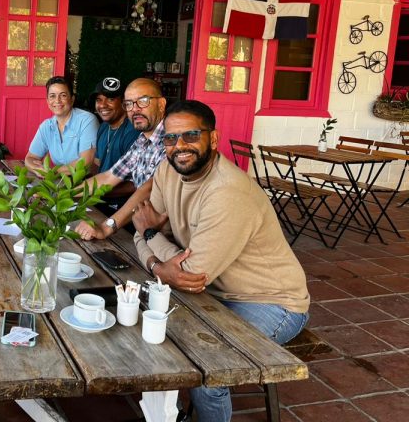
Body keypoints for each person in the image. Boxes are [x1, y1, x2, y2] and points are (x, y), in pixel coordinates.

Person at [131, 100, 310, 422]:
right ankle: (166, 414)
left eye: (190, 135)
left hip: (270, 302)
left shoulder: (228, 192)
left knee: (211, 370)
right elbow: (142, 230)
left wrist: (150, 241)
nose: (179, 146)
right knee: (145, 331)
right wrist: (157, 260)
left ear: (213, 139)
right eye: (170, 139)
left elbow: (190, 273)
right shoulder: (166, 171)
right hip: (214, 293)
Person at [76, 77, 167, 240]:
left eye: (143, 101)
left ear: (161, 104)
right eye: (130, 103)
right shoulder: (142, 140)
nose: (135, 109)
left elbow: (148, 189)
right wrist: (61, 194)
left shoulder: (170, 140)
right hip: (145, 230)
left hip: (169, 237)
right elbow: (109, 176)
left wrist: (106, 227)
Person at [25, 76, 99, 174]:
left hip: (88, 182)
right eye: (52, 96)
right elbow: (30, 158)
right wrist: (37, 169)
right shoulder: (46, 126)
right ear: (47, 101)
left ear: (72, 99)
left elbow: (86, 162)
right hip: (61, 180)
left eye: (63, 95)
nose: (57, 100)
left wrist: (52, 173)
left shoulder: (87, 120)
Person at [90, 76, 138, 174]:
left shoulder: (132, 131)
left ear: (124, 102)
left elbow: (134, 181)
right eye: (99, 100)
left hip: (114, 188)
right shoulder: (103, 127)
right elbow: (98, 163)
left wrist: (98, 187)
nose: (103, 105)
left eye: (110, 99)